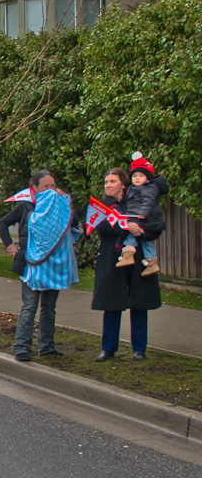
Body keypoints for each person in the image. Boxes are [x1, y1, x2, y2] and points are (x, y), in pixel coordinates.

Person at [93, 168, 162, 362]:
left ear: (123, 184)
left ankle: (139, 349)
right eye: (106, 182)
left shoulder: (138, 201)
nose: (108, 185)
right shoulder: (100, 206)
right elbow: (102, 227)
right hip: (112, 258)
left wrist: (142, 229)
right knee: (112, 304)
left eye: (113, 181)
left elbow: (155, 224)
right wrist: (128, 227)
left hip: (138, 258)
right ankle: (108, 348)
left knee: (139, 302)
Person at [0, 171, 68, 361]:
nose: (51, 190)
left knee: (49, 307)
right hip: (31, 265)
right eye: (47, 187)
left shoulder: (58, 206)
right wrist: (10, 246)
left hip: (52, 265)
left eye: (53, 186)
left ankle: (46, 346)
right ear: (34, 189)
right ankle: (21, 347)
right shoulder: (26, 207)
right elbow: (2, 223)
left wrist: (64, 202)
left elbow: (74, 222)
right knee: (29, 306)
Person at [116, 152, 168, 277]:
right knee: (144, 240)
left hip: (144, 218)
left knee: (131, 233)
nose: (137, 178)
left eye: (141, 175)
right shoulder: (133, 188)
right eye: (134, 176)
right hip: (136, 216)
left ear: (147, 177)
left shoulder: (149, 188)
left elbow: (148, 202)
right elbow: (129, 201)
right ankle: (152, 262)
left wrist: (143, 214)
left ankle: (128, 254)